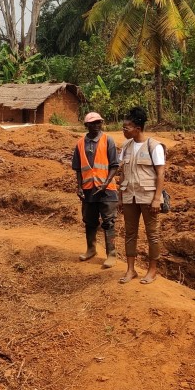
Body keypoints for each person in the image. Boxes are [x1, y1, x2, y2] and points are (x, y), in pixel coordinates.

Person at [117, 107, 166, 285]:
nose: (123, 130)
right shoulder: (126, 147)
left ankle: (152, 270)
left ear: (137, 129)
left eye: (126, 127)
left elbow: (160, 174)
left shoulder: (154, 146)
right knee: (130, 233)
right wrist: (120, 197)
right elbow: (122, 173)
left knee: (152, 234)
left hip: (148, 197)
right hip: (129, 196)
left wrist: (156, 199)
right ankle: (131, 270)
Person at [72, 112, 121, 268]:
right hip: (88, 189)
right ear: (86, 125)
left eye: (99, 122)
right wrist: (79, 187)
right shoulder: (80, 144)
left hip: (107, 190)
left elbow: (114, 165)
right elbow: (78, 169)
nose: (96, 125)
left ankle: (111, 254)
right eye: (93, 123)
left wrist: (106, 183)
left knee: (109, 221)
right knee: (89, 220)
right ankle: (91, 249)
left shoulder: (108, 140)